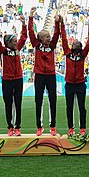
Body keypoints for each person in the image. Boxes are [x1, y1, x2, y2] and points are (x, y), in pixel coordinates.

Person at [0, 15, 27, 136]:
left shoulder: (17, 49)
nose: (16, 42)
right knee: (8, 103)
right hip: (7, 80)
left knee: (18, 103)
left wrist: (24, 24)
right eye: (13, 41)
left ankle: (17, 127)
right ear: (7, 42)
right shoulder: (2, 51)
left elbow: (24, 37)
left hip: (18, 79)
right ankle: (10, 127)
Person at [29, 8, 61, 136]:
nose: (49, 38)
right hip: (39, 76)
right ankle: (39, 126)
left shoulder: (52, 46)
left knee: (52, 100)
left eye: (49, 36)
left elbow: (57, 33)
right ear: (41, 38)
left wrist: (57, 22)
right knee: (39, 100)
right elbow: (31, 32)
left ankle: (52, 126)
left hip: (51, 76)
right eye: (47, 36)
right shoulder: (36, 46)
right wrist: (31, 17)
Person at [61, 19, 89, 135]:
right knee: (69, 107)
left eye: (77, 43)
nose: (75, 44)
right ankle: (71, 128)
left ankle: (83, 128)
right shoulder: (67, 53)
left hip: (80, 84)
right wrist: (62, 25)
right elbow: (64, 39)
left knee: (81, 107)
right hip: (69, 84)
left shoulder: (83, 54)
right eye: (73, 43)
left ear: (80, 46)